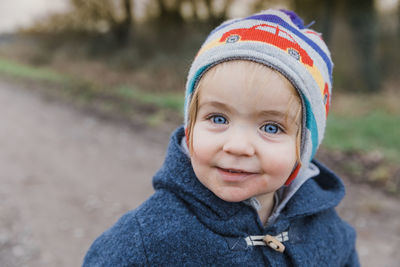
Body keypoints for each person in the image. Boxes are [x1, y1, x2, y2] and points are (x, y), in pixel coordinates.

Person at [83, 9, 359, 266]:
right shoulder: (148, 239)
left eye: (271, 127)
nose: (237, 146)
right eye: (218, 119)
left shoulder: (328, 231)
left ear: (304, 145)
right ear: (190, 127)